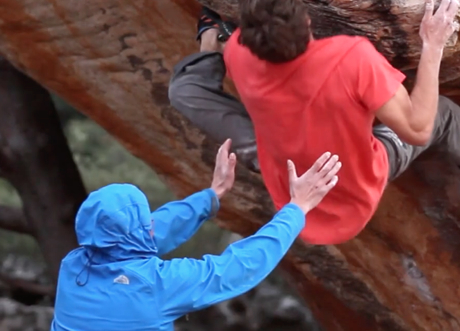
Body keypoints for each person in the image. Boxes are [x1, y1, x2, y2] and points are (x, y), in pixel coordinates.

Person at [169, 0, 460, 245]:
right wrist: (433, 45)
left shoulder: (238, 54)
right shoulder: (350, 60)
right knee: (438, 114)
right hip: (348, 193)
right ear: (308, 25)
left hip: (289, 182)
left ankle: (209, 43)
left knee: (184, 91)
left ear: (245, 35)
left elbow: (256, 32)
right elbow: (417, 129)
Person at [49, 138, 341, 331]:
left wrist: (211, 197)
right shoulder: (157, 286)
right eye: (145, 220)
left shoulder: (74, 266)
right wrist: (297, 208)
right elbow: (237, 267)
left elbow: (145, 234)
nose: (152, 224)